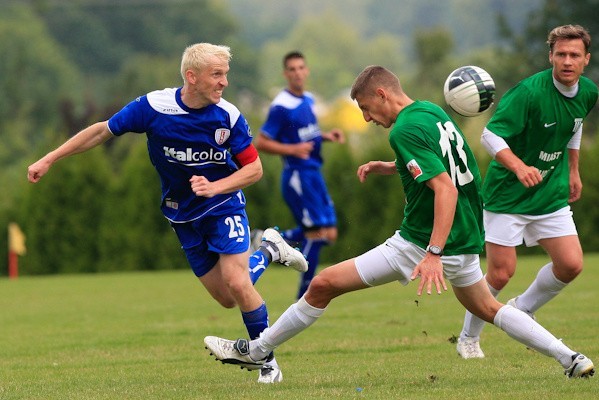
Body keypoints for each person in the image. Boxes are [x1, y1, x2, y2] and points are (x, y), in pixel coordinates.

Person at [203, 65, 595, 379]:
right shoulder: (429, 110)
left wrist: (432, 254)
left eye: (365, 108)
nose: (367, 118)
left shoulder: (404, 129)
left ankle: (256, 350)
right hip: (466, 236)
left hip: (420, 243)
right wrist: (393, 168)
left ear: (381, 94)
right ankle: (570, 357)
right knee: (490, 309)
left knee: (322, 284)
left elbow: (446, 189)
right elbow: (448, 165)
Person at [27, 43, 308, 384]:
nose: (224, 83)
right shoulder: (153, 107)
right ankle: (269, 249)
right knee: (226, 298)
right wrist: (49, 158)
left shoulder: (229, 117)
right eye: (216, 75)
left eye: (225, 75)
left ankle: (267, 363)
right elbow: (102, 130)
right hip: (181, 215)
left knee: (237, 282)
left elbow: (255, 170)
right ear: (192, 77)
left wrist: (216, 188)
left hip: (223, 206)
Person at [456, 24, 598, 359]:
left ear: (586, 59)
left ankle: (523, 309)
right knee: (501, 273)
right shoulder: (529, 92)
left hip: (549, 193)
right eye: (560, 54)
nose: (566, 60)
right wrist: (519, 167)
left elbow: (572, 128)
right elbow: (490, 136)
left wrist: (573, 171)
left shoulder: (589, 92)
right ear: (550, 56)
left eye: (574, 55)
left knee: (571, 264)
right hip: (507, 196)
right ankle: (468, 337)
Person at [254, 51, 345, 299]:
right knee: (316, 235)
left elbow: (305, 134)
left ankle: (265, 240)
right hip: (297, 176)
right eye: (292, 69)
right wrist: (292, 149)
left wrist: (325, 136)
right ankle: (305, 298)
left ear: (307, 71)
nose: (297, 73)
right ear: (286, 74)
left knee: (329, 235)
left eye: (301, 68)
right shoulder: (281, 106)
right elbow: (261, 142)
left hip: (313, 173)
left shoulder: (307, 99)